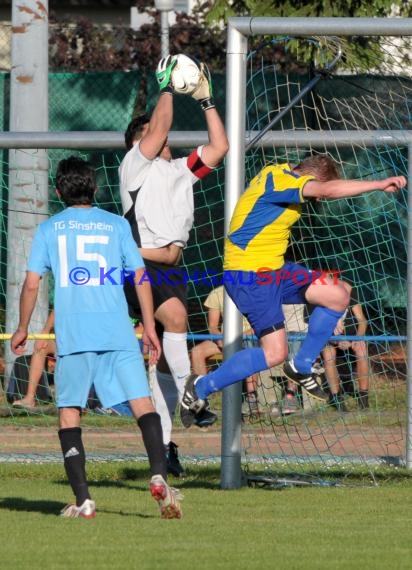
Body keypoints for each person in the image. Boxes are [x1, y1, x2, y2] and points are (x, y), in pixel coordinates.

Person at [10, 156, 183, 520]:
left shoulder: (50, 229)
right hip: (117, 331)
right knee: (143, 405)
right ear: (95, 188)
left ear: (58, 192)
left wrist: (24, 326)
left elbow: (30, 283)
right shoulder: (117, 224)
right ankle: (158, 474)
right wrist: (150, 326)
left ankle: (84, 500)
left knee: (70, 414)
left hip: (75, 336)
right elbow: (140, 277)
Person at [179, 154, 406, 427]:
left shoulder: (277, 171)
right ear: (310, 179)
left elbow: (318, 188)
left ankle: (302, 364)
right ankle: (200, 387)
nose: (318, 200)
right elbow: (326, 189)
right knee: (274, 353)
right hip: (249, 276)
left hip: (275, 269)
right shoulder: (285, 181)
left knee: (338, 294)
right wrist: (378, 184)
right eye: (316, 191)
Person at [119, 56, 229, 464]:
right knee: (178, 320)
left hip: (170, 268)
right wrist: (166, 85)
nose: (162, 136)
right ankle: (191, 393)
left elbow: (220, 147)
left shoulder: (180, 170)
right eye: (150, 133)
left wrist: (206, 99)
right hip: (140, 268)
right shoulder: (135, 167)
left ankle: (165, 450)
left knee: (163, 359)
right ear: (138, 142)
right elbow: (159, 126)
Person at [190, 285, 260, 416]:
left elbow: (258, 325)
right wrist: (220, 339)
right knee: (196, 351)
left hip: (249, 336)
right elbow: (212, 326)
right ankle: (201, 397)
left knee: (249, 348)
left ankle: (252, 399)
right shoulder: (217, 293)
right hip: (226, 338)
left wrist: (238, 337)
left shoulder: (254, 290)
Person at [322, 285, 371, 411]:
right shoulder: (316, 297)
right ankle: (337, 399)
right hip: (328, 338)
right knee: (328, 355)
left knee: (361, 349)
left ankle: (363, 398)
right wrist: (335, 340)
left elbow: (362, 320)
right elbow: (316, 327)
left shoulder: (347, 291)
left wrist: (356, 338)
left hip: (351, 338)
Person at [12, 310, 56, 409]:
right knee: (41, 346)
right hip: (67, 342)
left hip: (88, 342)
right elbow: (59, 306)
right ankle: (29, 398)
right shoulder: (65, 298)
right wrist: (45, 332)